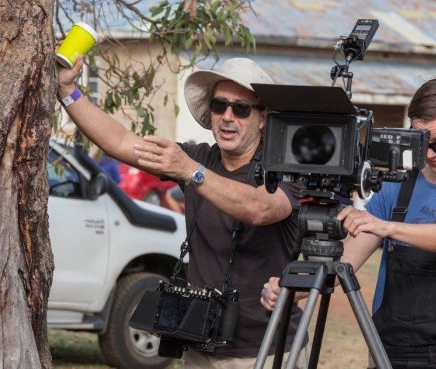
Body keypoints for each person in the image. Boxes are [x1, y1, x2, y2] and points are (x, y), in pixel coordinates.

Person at [57, 57, 306, 368]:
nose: (227, 117)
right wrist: (68, 90)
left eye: (241, 109)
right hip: (199, 342)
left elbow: (260, 208)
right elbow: (120, 141)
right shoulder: (198, 157)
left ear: (262, 118)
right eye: (219, 106)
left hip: (268, 350)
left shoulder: (284, 170)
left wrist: (191, 172)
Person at [262, 76, 436, 369]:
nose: (430, 154)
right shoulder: (397, 188)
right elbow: (345, 261)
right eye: (420, 141)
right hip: (389, 352)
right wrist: (293, 289)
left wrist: (386, 227)